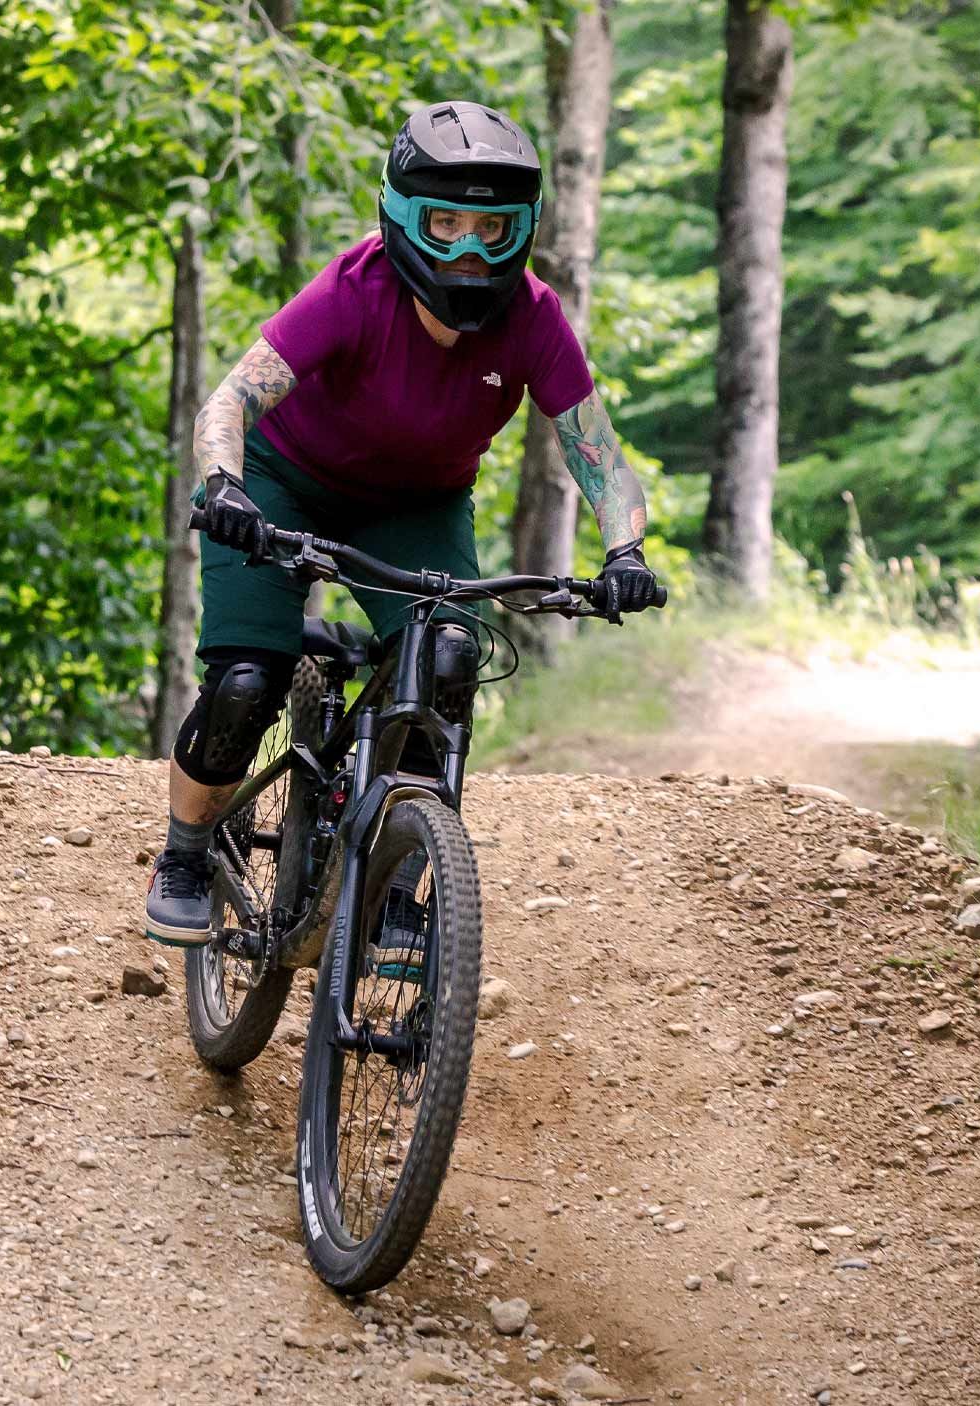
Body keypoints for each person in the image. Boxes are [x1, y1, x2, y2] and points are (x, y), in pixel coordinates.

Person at [144, 100, 663, 946]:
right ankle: (186, 852)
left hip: (416, 506)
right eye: (445, 222)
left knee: (449, 665)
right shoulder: (354, 292)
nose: (466, 249)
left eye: (490, 229)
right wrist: (224, 487)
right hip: (282, 486)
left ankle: (391, 882)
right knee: (246, 682)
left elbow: (597, 451)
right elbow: (231, 399)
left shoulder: (534, 318)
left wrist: (625, 549)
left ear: (522, 230)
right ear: (400, 218)